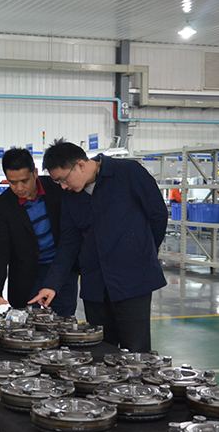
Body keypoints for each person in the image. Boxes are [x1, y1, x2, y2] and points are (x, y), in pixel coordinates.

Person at [28, 141, 168, 350]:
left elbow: (158, 215)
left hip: (132, 282)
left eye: (64, 179)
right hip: (95, 285)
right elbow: (69, 243)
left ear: (80, 165)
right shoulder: (71, 196)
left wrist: (142, 252)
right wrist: (52, 284)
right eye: (58, 182)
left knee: (135, 351)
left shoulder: (128, 173)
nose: (63, 186)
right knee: (100, 349)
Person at [0, 148, 79, 317]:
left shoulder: (56, 188)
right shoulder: (2, 206)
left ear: (35, 173)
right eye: (12, 182)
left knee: (64, 320)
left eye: (24, 181)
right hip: (27, 276)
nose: (19, 188)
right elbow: (1, 250)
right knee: (27, 324)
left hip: (61, 270)